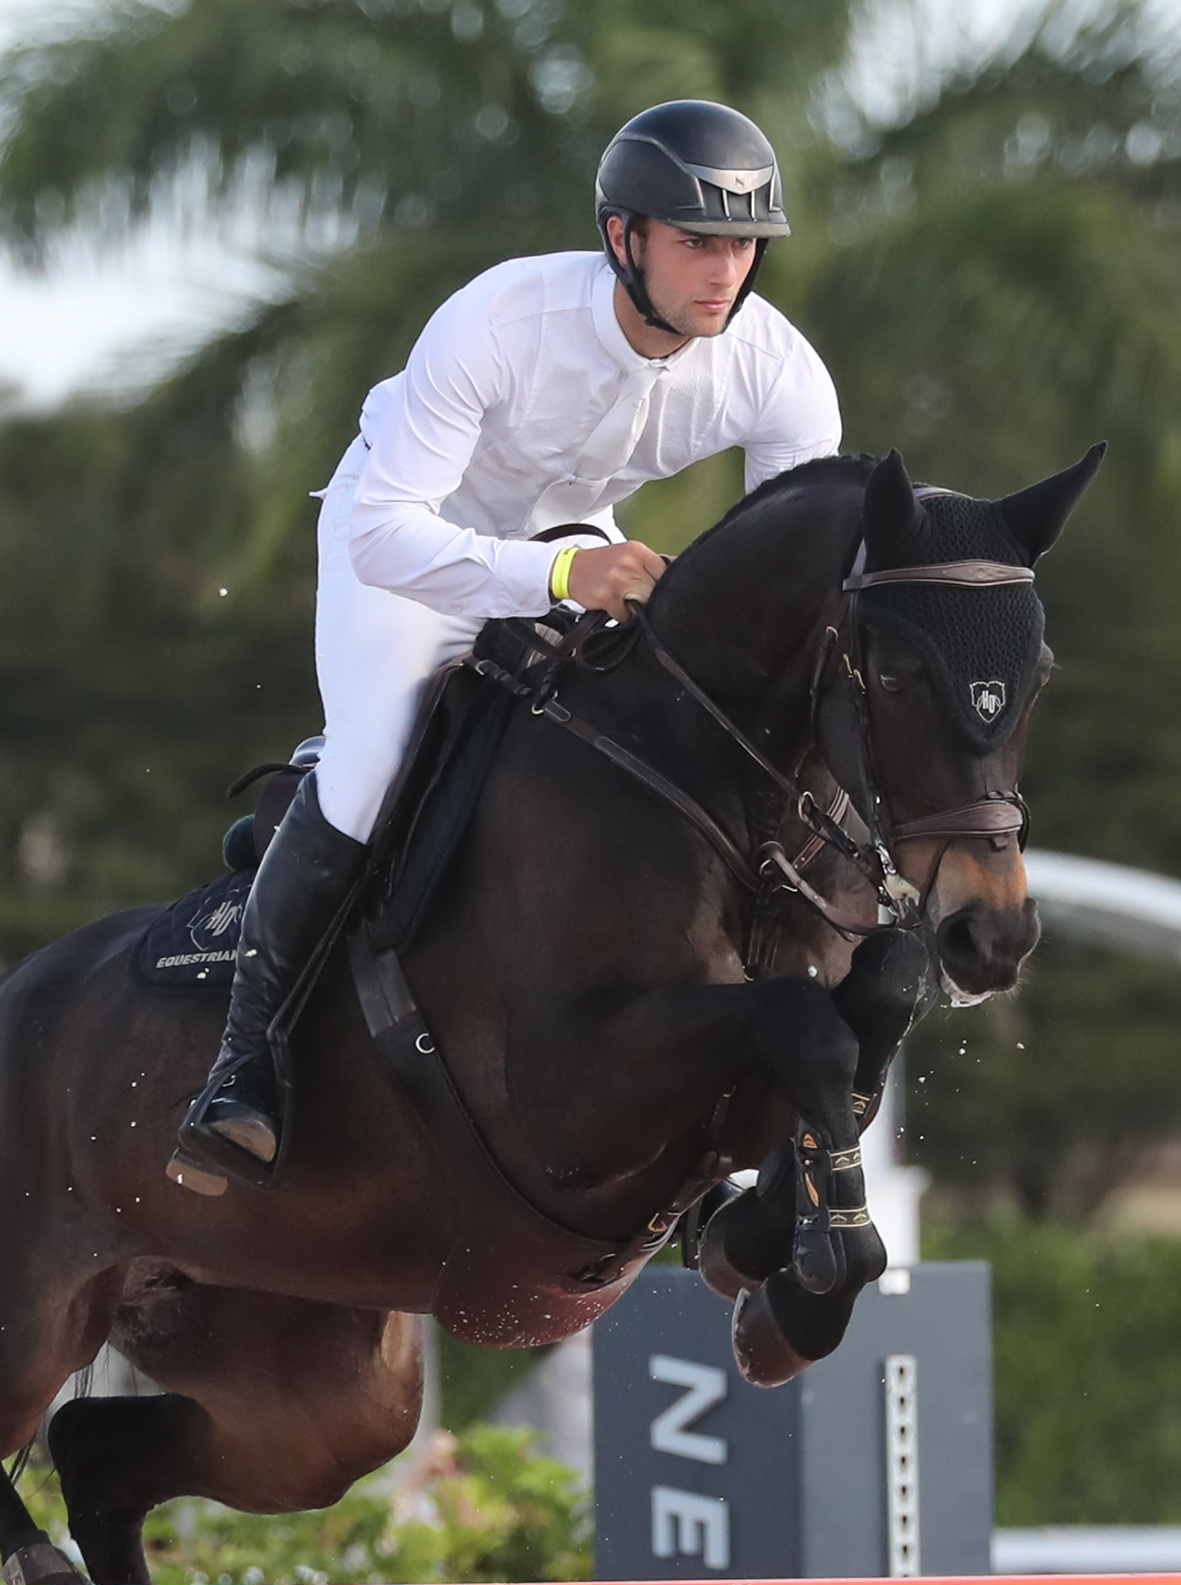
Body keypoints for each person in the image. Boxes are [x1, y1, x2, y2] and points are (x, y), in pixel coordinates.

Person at [172, 97, 843, 1190]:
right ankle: (242, 1068)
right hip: (406, 550)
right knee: (372, 763)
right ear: (622, 238)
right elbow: (388, 530)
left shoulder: (777, 371)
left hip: (570, 546)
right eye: (695, 242)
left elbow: (788, 575)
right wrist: (560, 573)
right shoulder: (500, 319)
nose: (724, 271)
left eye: (740, 245)